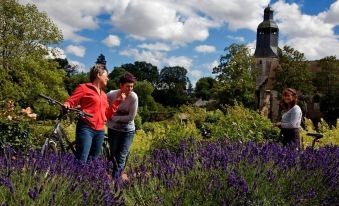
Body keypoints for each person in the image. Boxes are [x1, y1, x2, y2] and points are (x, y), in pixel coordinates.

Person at [64, 64, 125, 162]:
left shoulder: (104, 95)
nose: (108, 79)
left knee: (93, 162)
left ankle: (88, 178)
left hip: (100, 131)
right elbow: (71, 101)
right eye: (106, 75)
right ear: (98, 75)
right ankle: (77, 177)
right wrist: (67, 104)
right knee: (82, 159)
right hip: (86, 128)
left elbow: (107, 115)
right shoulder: (84, 88)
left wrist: (118, 101)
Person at [107, 72, 138, 181]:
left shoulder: (134, 97)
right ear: (121, 86)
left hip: (127, 131)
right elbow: (103, 106)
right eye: (127, 86)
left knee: (121, 156)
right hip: (113, 129)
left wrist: (114, 118)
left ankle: (116, 181)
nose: (130, 89)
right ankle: (114, 176)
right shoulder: (111, 94)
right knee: (113, 154)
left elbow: (130, 117)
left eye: (132, 86)